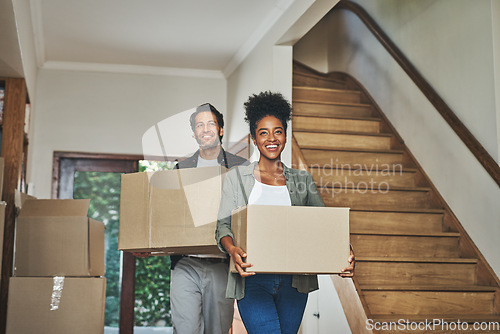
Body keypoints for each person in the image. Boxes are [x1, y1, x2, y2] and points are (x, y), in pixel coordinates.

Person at [215, 91, 355, 334]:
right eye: (263, 132)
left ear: (286, 136)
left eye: (278, 131)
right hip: (252, 278)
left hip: (295, 281)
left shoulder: (302, 180)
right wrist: (232, 249)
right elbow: (223, 226)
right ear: (254, 139)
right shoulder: (237, 178)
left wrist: (345, 251)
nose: (272, 138)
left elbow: (323, 225)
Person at [137, 103, 248, 334]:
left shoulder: (241, 167)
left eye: (210, 123)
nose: (205, 129)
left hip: (221, 264)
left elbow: (249, 214)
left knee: (218, 330)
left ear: (220, 130)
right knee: (185, 328)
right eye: (199, 125)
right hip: (185, 264)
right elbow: (168, 213)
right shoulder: (181, 168)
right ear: (194, 133)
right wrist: (148, 242)